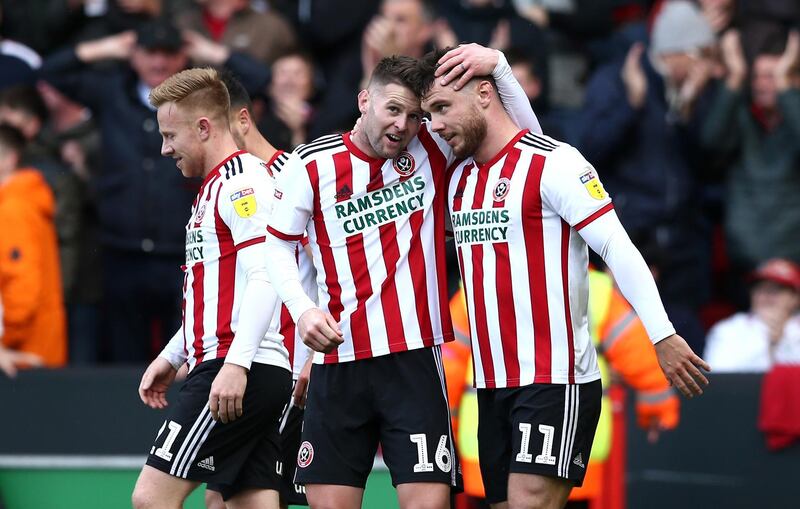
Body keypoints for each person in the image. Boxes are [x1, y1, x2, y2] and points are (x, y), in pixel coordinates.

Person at [417, 47, 710, 509]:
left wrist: (662, 334)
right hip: (491, 388)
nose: (433, 125)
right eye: (428, 112)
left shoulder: (556, 163)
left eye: (441, 108)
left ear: (485, 95)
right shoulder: (458, 178)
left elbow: (616, 246)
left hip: (555, 381)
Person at [265, 44, 541, 509]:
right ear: (364, 100)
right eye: (393, 110)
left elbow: (528, 143)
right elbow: (275, 244)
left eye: (415, 116)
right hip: (339, 361)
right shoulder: (310, 165)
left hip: (413, 360)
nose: (403, 126)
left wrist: (500, 67)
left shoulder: (432, 148)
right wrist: (303, 309)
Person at [131, 68, 291, 509]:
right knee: (245, 502)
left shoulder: (243, 182)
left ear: (204, 127)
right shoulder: (217, 185)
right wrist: (173, 355)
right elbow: (218, 291)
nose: (164, 149)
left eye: (170, 135)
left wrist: (236, 365)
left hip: (238, 366)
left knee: (151, 498)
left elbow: (266, 276)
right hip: (242, 364)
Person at [201, 71, 315, 509]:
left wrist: (318, 358)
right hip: (250, 363)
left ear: (242, 119)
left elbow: (330, 269)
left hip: (291, 367)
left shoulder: (295, 175)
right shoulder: (223, 188)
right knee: (227, 499)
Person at [0, 123, 67, 370]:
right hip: (32, 352)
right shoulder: (20, 202)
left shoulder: (14, 208)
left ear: (9, 159)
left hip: (22, 358)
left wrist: (3, 342)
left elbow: (22, 286)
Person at [704, 258, 800, 372]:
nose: (766, 296)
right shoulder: (728, 329)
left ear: (796, 297)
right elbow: (719, 377)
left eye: (776, 290)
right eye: (760, 289)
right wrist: (770, 344)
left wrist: (781, 343)